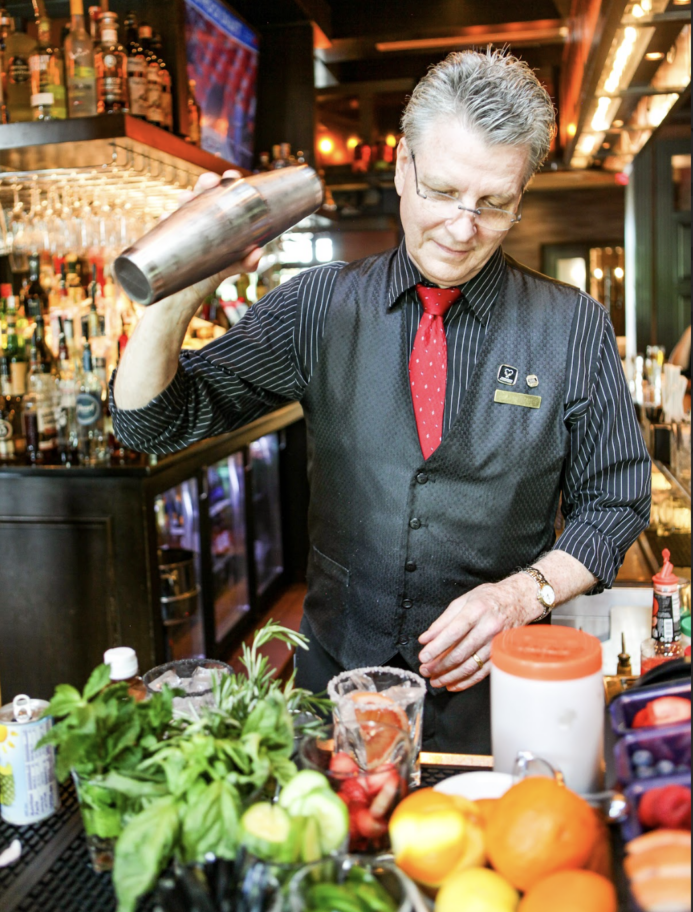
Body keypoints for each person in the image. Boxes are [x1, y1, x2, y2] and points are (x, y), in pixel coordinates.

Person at [112, 49, 651, 753]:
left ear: (520, 195)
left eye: (493, 204)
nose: (462, 229)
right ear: (401, 169)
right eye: (442, 192)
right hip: (335, 683)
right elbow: (152, 421)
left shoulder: (570, 324)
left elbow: (614, 503)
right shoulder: (317, 305)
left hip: (496, 694)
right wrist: (175, 296)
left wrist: (524, 595)